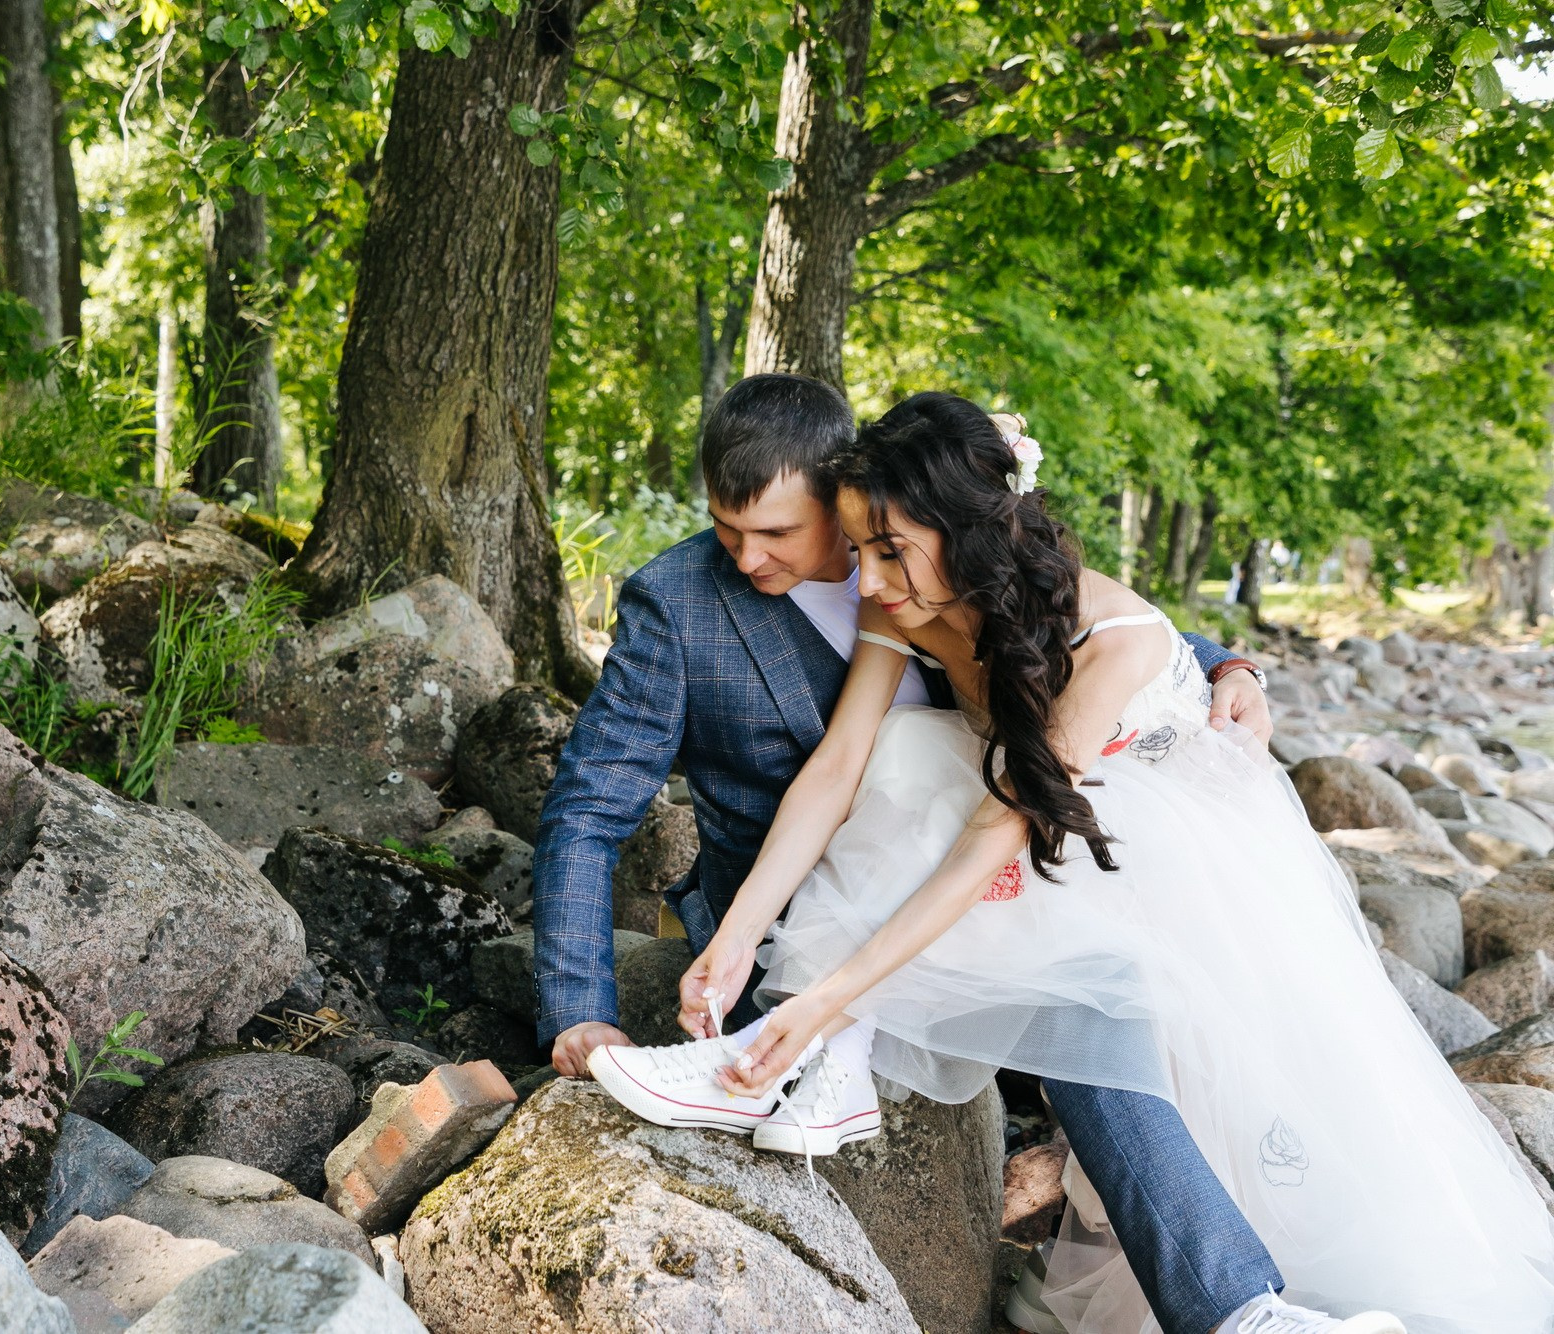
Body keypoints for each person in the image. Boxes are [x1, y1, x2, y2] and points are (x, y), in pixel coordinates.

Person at [592, 391, 1554, 1334]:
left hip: (1171, 843)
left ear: (963, 530)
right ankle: (826, 1065)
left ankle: (1243, 1308)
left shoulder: (1114, 639)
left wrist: (827, 993)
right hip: (1033, 815)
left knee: (1145, 1020)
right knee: (900, 754)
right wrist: (741, 934)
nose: (869, 581)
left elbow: (1000, 830)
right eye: (865, 551)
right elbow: (837, 767)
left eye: (889, 553)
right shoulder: (905, 594)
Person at [535, 374, 1285, 1334]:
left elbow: (1083, 625)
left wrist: (1230, 664)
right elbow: (591, 804)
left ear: (841, 497)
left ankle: (1218, 1299)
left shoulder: (906, 537)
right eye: (727, 531)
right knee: (925, 785)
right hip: (805, 903)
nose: (745, 558)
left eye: (776, 533)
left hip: (999, 861)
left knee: (1089, 977)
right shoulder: (679, 605)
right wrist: (582, 1009)